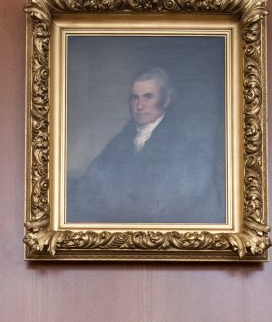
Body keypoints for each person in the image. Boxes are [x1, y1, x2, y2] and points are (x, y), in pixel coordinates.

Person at [67, 66, 224, 224]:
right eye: (135, 98)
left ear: (166, 100)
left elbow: (185, 204)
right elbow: (87, 189)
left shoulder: (186, 149)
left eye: (148, 97)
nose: (139, 106)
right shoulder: (118, 143)